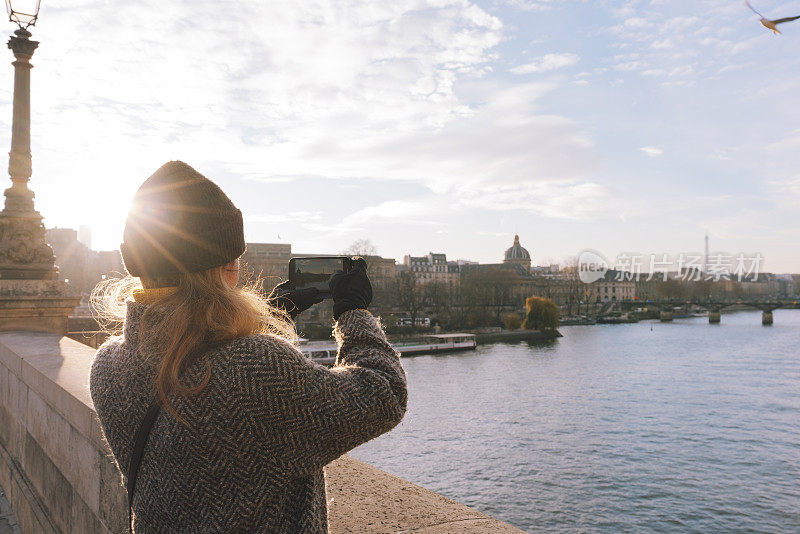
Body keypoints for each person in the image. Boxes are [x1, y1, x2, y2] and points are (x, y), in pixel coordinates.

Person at [89, 161, 407, 533]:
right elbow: (383, 395)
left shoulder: (107, 367)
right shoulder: (250, 367)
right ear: (225, 266)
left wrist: (271, 314)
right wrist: (353, 313)